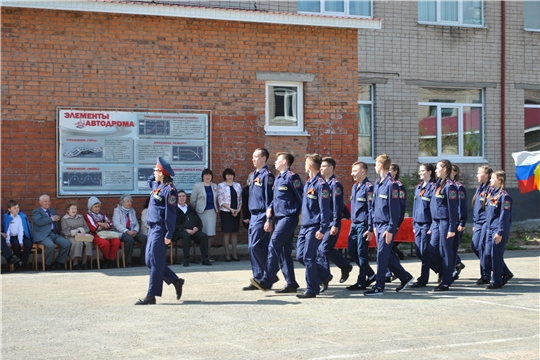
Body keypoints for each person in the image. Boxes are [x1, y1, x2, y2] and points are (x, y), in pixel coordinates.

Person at [250, 152, 303, 293]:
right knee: (284, 252)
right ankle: (291, 283)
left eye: (278, 159)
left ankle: (267, 280)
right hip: (279, 218)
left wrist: (302, 216)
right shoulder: (278, 178)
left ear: (285, 162)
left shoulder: (292, 177)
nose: (275, 162)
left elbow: (302, 198)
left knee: (273, 246)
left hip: (289, 217)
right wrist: (270, 209)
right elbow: (276, 199)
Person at [135, 157, 184, 305]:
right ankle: (175, 280)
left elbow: (171, 213)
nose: (153, 172)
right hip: (152, 228)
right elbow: (150, 180)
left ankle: (151, 295)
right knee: (149, 261)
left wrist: (169, 233)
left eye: (156, 170)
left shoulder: (170, 191)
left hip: (161, 229)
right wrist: (157, 170)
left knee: (155, 262)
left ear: (162, 173)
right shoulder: (157, 186)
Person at [364, 154, 414, 296]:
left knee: (381, 256)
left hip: (386, 226)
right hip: (378, 225)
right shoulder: (378, 183)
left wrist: (391, 229)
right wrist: (373, 224)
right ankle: (405, 277)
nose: (374, 167)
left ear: (380, 165)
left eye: (375, 164)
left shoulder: (392, 185)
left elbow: (395, 210)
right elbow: (374, 206)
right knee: (387, 255)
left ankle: (379, 287)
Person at [294, 153, 332, 299]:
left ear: (309, 165)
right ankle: (324, 275)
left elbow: (324, 209)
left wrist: (323, 229)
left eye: (305, 163)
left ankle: (312, 289)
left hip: (315, 226)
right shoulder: (309, 182)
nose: (304, 166)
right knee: (300, 256)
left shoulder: (321, 185)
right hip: (305, 225)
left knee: (309, 257)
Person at [317, 157, 352, 290]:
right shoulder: (321, 183)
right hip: (322, 222)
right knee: (321, 251)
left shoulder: (335, 185)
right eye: (320, 166)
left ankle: (344, 265)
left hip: (331, 222)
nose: (321, 169)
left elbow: (338, 206)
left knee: (324, 248)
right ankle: (324, 278)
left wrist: (336, 224)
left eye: (324, 166)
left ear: (331, 168)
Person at [243, 148, 275, 291]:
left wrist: (269, 219)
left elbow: (269, 199)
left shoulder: (267, 175)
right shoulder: (253, 175)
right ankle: (258, 278)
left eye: (256, 157)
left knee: (253, 246)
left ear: (264, 158)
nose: (253, 159)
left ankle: (270, 274)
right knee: (255, 248)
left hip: (262, 214)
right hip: (253, 214)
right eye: (253, 156)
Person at [428, 159, 459, 292]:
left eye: (437, 168)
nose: (435, 171)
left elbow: (453, 209)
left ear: (445, 169)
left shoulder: (450, 186)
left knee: (445, 251)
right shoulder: (438, 184)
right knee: (432, 250)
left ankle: (446, 281)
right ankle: (447, 271)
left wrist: (452, 228)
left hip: (445, 222)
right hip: (435, 222)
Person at [346, 161, 376, 291]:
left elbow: (371, 209)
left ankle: (361, 282)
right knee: (352, 251)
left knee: (361, 253)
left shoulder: (369, 187)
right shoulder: (355, 187)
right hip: (354, 224)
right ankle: (370, 274)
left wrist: (370, 228)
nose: (352, 174)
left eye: (354, 171)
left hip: (363, 225)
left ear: (363, 172)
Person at [484, 170, 514, 289]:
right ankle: (506, 272)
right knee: (487, 254)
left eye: (492, 178)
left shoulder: (504, 197)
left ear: (499, 180)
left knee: (495, 256)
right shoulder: (491, 193)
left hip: (498, 230)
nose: (490, 180)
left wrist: (500, 232)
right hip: (489, 228)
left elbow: (504, 216)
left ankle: (496, 281)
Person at [410, 163, 436, 288]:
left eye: (422, 171)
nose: (420, 173)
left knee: (425, 252)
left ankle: (423, 278)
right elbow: (416, 207)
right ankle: (443, 269)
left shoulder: (433, 187)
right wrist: (414, 223)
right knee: (419, 252)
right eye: (419, 171)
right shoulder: (419, 187)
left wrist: (432, 226)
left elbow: (433, 208)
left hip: (427, 223)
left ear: (430, 172)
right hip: (418, 223)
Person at [32, 194, 72, 270]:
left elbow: (57, 216)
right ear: (40, 202)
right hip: (43, 235)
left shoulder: (52, 210)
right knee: (51, 246)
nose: (47, 203)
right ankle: (47, 264)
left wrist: (58, 217)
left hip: (53, 234)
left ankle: (58, 262)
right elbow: (39, 221)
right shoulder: (36, 211)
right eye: (45, 201)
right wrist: (52, 219)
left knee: (67, 243)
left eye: (49, 201)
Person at [173, 190, 211, 266]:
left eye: (183, 196)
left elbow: (198, 221)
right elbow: (174, 224)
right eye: (180, 196)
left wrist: (196, 228)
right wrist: (186, 230)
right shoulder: (174, 209)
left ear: (186, 198)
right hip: (180, 231)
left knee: (203, 236)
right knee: (186, 236)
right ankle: (186, 259)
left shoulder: (190, 209)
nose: (181, 198)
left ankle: (205, 259)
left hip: (193, 230)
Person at [471, 165, 493, 285]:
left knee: (482, 247)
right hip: (478, 222)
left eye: (479, 173)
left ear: (486, 175)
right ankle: (498, 268)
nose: (477, 175)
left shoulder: (490, 189)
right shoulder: (480, 188)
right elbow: (476, 207)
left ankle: (485, 275)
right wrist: (475, 222)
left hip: (486, 222)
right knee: (475, 246)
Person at [85, 196, 120, 269]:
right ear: (91, 207)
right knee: (105, 243)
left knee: (116, 241)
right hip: (95, 235)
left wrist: (99, 223)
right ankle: (106, 259)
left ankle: (111, 260)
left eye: (98, 206)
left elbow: (110, 225)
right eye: (95, 207)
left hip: (107, 233)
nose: (98, 208)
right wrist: (103, 224)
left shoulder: (102, 214)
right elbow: (94, 227)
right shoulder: (88, 215)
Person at [112, 194, 148, 267]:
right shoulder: (117, 210)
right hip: (122, 232)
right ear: (122, 202)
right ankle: (127, 261)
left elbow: (136, 223)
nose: (129, 203)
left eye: (130, 201)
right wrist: (127, 231)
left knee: (145, 239)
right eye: (127, 201)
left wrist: (135, 230)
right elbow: (116, 224)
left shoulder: (132, 211)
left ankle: (143, 260)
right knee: (130, 240)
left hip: (132, 231)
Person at [190, 168, 218, 261]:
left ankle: (207, 255)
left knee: (210, 234)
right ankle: (202, 255)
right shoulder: (197, 186)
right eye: (205, 175)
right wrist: (196, 211)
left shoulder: (215, 186)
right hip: (201, 212)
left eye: (209, 175)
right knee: (202, 234)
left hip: (211, 212)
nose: (207, 177)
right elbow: (192, 201)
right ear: (202, 177)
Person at [217, 168, 242, 261]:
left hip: (236, 211)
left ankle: (234, 254)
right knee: (227, 233)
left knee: (234, 233)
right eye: (228, 175)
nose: (230, 176)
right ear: (225, 176)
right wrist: (231, 209)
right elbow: (221, 200)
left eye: (231, 175)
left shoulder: (238, 185)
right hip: (226, 212)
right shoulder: (221, 186)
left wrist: (238, 209)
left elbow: (240, 199)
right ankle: (227, 254)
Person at [60, 200, 92, 270]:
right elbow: (65, 231)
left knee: (87, 243)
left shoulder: (80, 217)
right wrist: (76, 232)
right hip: (70, 236)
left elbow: (87, 228)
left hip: (82, 235)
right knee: (77, 243)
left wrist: (81, 231)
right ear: (68, 210)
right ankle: (75, 263)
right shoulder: (64, 219)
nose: (74, 210)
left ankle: (84, 263)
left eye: (75, 208)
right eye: (72, 208)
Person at [3, 200, 33, 269]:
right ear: (9, 209)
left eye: (17, 207)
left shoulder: (20, 217)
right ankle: (18, 261)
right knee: (15, 245)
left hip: (20, 236)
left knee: (29, 244)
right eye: (14, 208)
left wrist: (21, 241)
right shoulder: (7, 218)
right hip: (12, 236)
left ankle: (22, 261)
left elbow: (20, 230)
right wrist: (7, 241)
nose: (16, 209)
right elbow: (7, 230)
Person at [450, 164, 468, 276]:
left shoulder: (458, 187)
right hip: (447, 221)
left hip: (456, 221)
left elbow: (462, 206)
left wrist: (462, 221)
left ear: (455, 173)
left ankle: (452, 268)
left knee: (451, 247)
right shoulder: (443, 185)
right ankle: (457, 264)